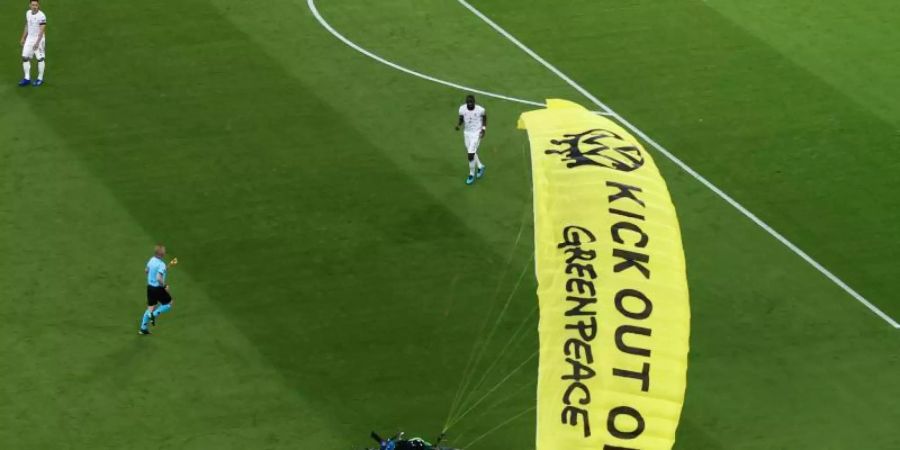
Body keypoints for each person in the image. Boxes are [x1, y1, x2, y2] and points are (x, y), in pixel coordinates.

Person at [139, 245, 177, 335]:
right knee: (169, 303)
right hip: (158, 288)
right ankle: (153, 315)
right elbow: (159, 277)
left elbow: (146, 270)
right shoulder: (161, 264)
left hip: (150, 288)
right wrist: (164, 286)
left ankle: (143, 328)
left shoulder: (151, 260)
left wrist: (166, 267)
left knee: (151, 307)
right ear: (162, 254)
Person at [455, 95, 487, 185]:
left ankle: (471, 174)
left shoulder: (480, 110)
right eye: (468, 102)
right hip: (467, 133)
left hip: (476, 133)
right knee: (470, 151)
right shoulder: (462, 109)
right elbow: (461, 118)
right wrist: (459, 125)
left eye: (471, 102)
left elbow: (484, 118)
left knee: (470, 155)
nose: (469, 104)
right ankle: (480, 166)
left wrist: (483, 129)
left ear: (474, 102)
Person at [19, 0, 47, 87]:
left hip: (39, 39)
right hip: (29, 38)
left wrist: (37, 42)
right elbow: (27, 25)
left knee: (40, 59)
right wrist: (23, 37)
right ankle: (27, 78)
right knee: (25, 57)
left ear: (38, 6)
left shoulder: (41, 16)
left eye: (36, 5)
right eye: (33, 5)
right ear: (29, 5)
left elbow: (42, 30)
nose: (34, 6)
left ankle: (40, 78)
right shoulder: (28, 13)